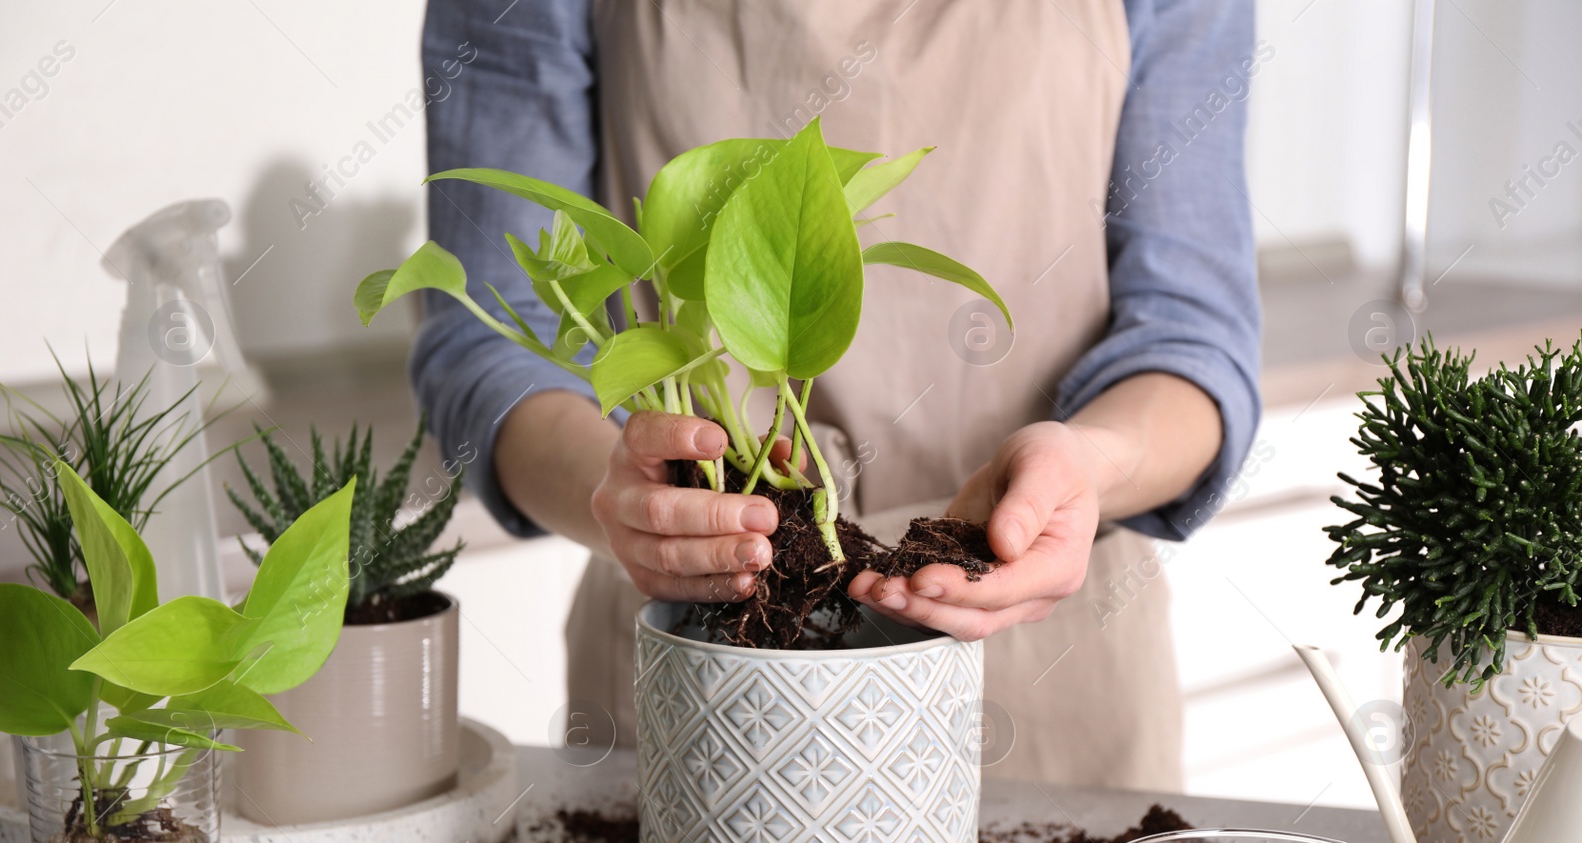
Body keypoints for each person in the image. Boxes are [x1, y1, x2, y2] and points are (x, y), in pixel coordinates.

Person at [412, 0, 1261, 788]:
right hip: (710, 644)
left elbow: (1191, 331)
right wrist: (622, 491)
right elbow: (491, 326)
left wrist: (1089, 464)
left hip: (1044, 667)